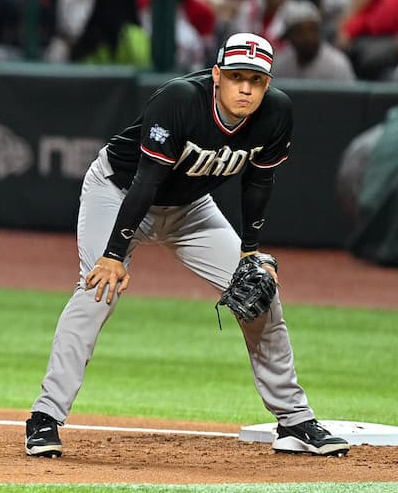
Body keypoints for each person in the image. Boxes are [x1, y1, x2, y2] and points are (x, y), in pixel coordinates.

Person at [25, 33, 349, 459]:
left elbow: (258, 181)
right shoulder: (178, 100)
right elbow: (146, 181)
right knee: (96, 291)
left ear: (268, 83)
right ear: (217, 75)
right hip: (119, 194)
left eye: (256, 79)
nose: (246, 88)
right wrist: (112, 255)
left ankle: (294, 422)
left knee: (258, 294)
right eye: (236, 77)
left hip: (190, 209)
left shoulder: (276, 113)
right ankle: (45, 418)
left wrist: (251, 252)